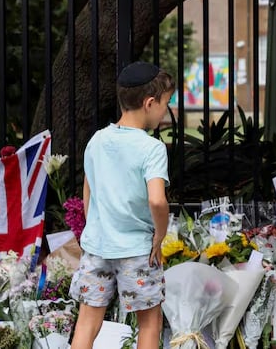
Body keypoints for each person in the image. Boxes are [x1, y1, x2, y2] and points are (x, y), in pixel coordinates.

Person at [69, 61, 174, 349]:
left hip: (97, 246)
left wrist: (95, 229)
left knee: (87, 323)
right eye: (165, 103)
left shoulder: (97, 141)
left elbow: (88, 189)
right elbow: (156, 199)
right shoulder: (151, 148)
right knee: (150, 323)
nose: (165, 110)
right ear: (150, 102)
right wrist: (160, 235)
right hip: (137, 251)